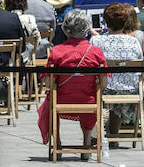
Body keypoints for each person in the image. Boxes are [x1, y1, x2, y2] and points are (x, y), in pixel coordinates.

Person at [38, 8, 107, 150]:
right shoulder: (96, 52)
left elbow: (49, 83)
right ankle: (87, 141)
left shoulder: (56, 51)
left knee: (49, 101)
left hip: (61, 101)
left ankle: (57, 141)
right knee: (94, 94)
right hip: (88, 101)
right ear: (86, 29)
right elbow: (104, 83)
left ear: (66, 30)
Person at [93, 3, 144, 144]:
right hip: (131, 90)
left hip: (104, 89)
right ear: (126, 21)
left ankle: (98, 134)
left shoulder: (96, 40)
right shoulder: (134, 42)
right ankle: (113, 134)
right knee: (119, 85)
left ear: (106, 21)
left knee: (103, 84)